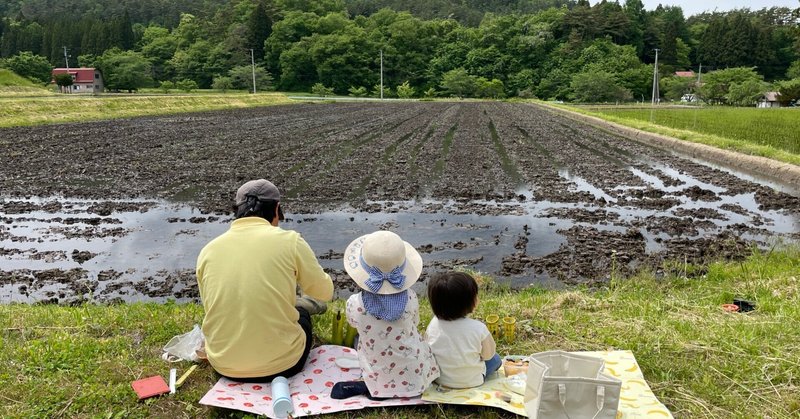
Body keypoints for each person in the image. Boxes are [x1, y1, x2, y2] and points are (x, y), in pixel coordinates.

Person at [196, 179, 333, 382]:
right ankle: (301, 306)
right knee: (302, 315)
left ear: (237, 210)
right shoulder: (290, 241)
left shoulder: (208, 250)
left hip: (223, 365)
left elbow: (212, 305)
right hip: (283, 366)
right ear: (276, 209)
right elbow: (325, 293)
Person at [331, 230, 439, 399]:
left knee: (361, 338)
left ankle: (380, 385)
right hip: (417, 378)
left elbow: (353, 323)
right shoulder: (410, 297)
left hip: (378, 383)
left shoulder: (354, 303)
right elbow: (415, 322)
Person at [424, 271, 501, 388]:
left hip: (441, 379)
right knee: (496, 359)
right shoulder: (479, 328)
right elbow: (488, 355)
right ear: (471, 303)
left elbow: (428, 348)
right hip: (473, 380)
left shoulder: (433, 324)